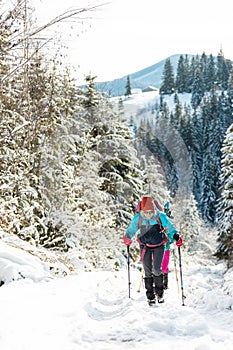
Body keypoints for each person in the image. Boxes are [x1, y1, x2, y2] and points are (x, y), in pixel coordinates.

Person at [123, 195, 182, 305]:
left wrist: (176, 236)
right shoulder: (138, 218)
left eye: (150, 212)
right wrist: (127, 237)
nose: (148, 215)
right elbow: (131, 229)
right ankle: (150, 296)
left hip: (159, 245)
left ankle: (160, 293)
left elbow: (170, 227)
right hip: (145, 246)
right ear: (142, 211)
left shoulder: (160, 216)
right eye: (146, 212)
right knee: (148, 271)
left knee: (157, 269)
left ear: (154, 209)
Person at [162, 201, 173, 289]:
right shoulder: (167, 222)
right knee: (164, 266)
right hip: (166, 247)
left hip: (158, 246)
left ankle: (159, 284)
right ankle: (164, 284)